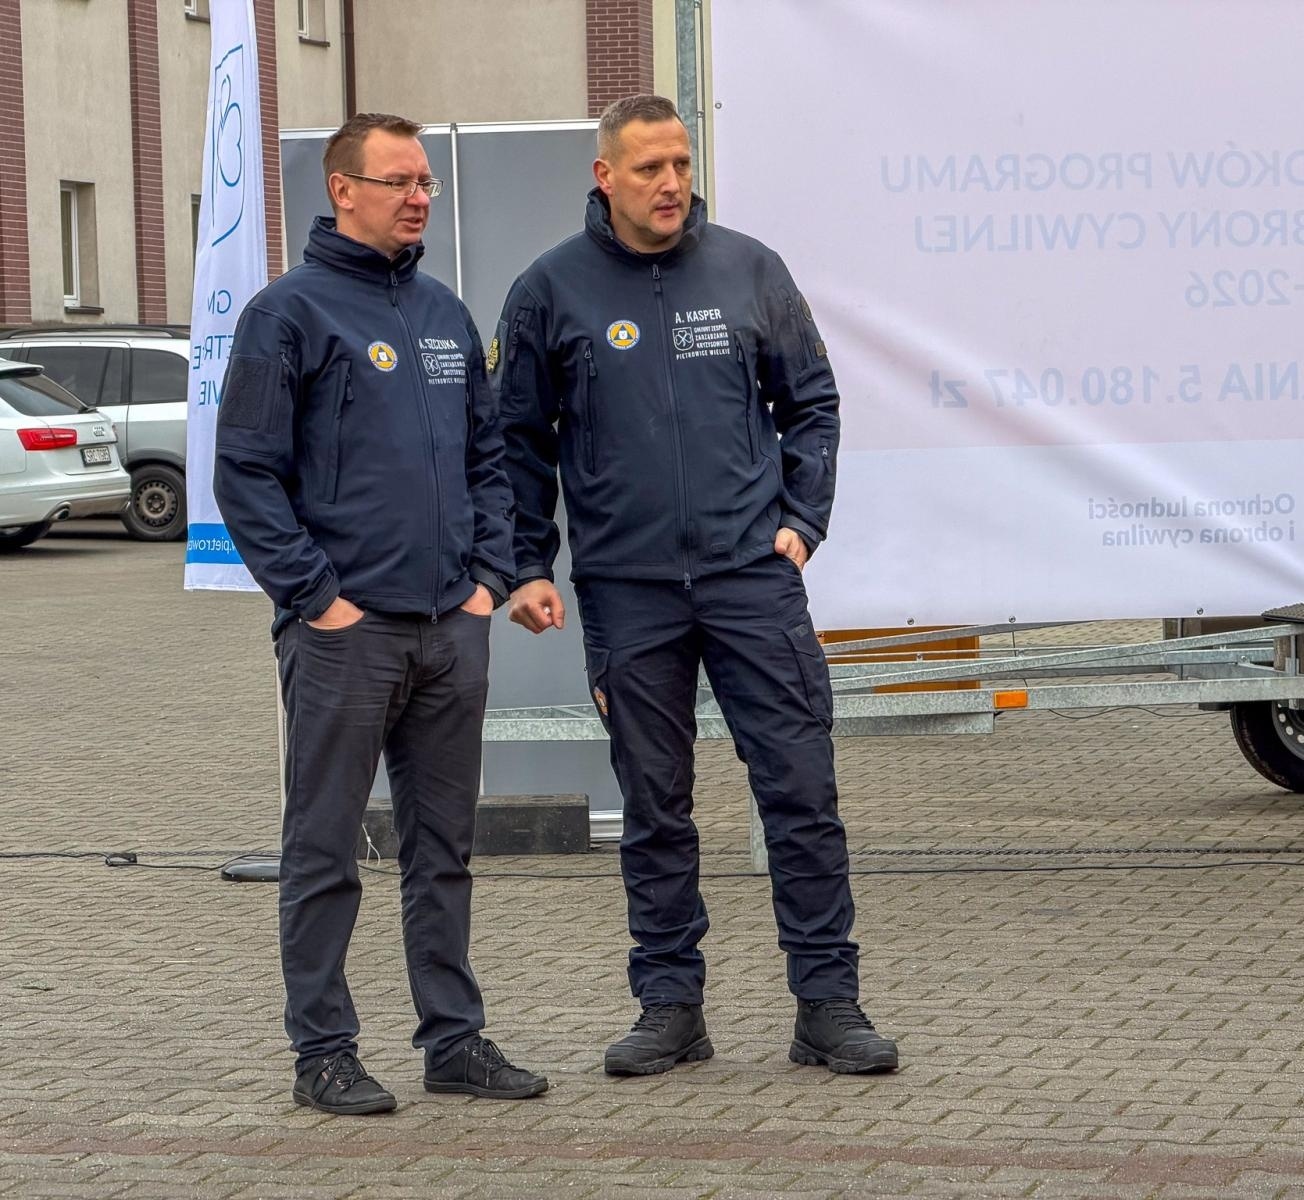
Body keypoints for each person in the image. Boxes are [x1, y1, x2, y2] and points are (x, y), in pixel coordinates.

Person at [492, 94, 897, 1076]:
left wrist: (801, 524)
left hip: (750, 584)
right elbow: (514, 443)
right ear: (605, 177)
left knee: (799, 794)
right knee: (655, 808)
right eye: (648, 168)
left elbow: (813, 403)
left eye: (680, 162)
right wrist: (521, 564)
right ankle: (670, 1006)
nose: (671, 183)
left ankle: (826, 1006)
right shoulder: (549, 292)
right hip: (629, 594)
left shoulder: (750, 271)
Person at [214, 112, 547, 1114]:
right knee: (324, 848)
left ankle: (454, 1041)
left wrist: (486, 581)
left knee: (442, 850)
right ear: (342, 191)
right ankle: (323, 1051)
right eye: (399, 181)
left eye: (426, 183)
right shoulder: (288, 316)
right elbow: (245, 477)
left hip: (452, 628)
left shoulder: (445, 315)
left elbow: (488, 459)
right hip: (346, 639)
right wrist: (319, 602)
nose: (420, 197)